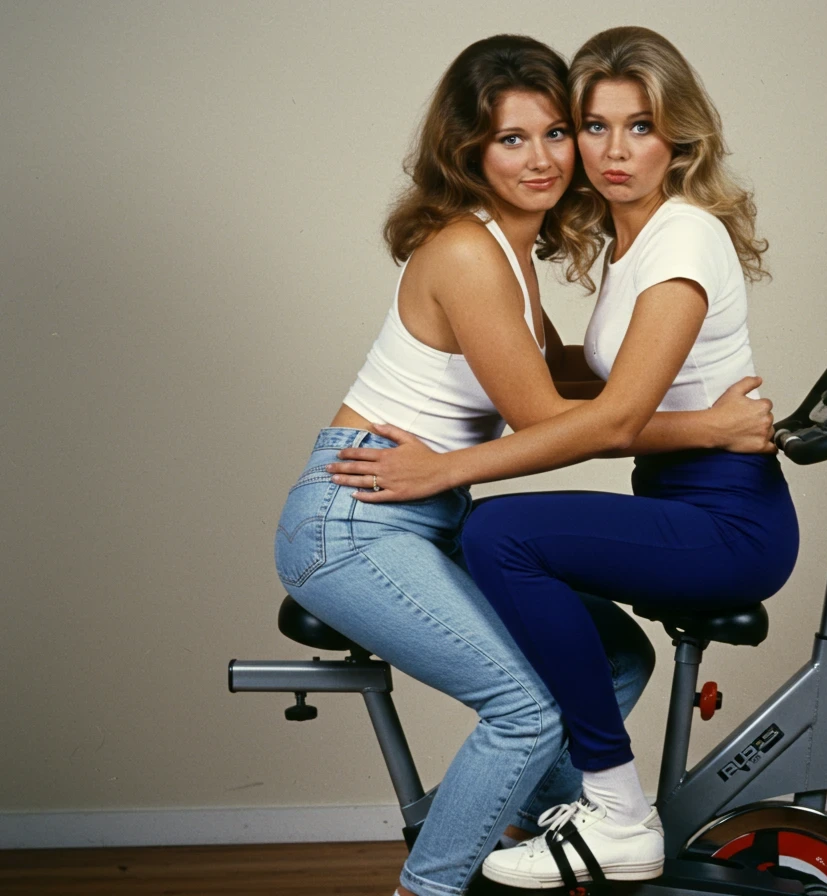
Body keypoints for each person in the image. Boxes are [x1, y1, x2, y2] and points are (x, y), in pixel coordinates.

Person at [276, 34, 774, 896]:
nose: (544, 159)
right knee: (524, 709)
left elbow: (562, 373)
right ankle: (429, 886)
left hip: (423, 516)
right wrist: (709, 423)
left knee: (616, 661)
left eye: (553, 133)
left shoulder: (513, 251)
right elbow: (549, 415)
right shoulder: (470, 251)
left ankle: (533, 828)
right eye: (513, 139)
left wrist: (675, 379)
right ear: (469, 149)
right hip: (357, 515)